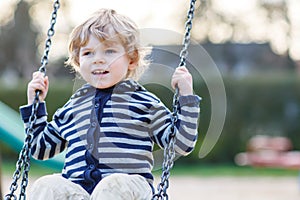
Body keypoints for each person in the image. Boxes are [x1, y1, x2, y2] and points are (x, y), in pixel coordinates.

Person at [20, 8, 201, 200]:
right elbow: (39, 148)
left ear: (131, 59)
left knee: (111, 186)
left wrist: (186, 97)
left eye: (109, 51)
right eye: (88, 53)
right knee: (46, 186)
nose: (98, 59)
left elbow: (180, 144)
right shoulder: (73, 107)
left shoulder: (143, 103)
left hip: (129, 188)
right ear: (78, 61)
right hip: (80, 191)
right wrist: (35, 105)